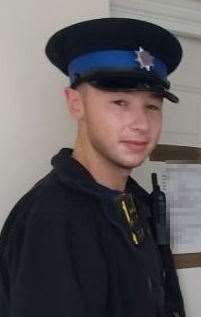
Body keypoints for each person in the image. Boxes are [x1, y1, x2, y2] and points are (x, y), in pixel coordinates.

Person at [0, 18, 186, 317]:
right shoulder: (54, 221)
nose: (141, 124)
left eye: (152, 106)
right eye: (119, 102)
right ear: (75, 103)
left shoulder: (132, 203)